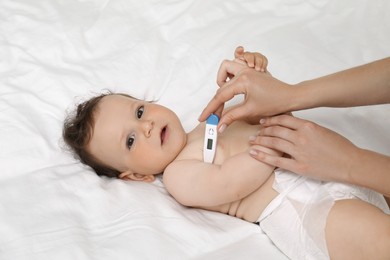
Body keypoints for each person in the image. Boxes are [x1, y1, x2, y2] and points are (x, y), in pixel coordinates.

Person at [63, 51, 390, 260]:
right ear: (136, 176)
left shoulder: (214, 121)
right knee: (378, 241)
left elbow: (268, 110)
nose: (146, 125)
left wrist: (255, 75)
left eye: (138, 111)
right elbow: (230, 182)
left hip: (338, 174)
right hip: (303, 208)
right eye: (131, 140)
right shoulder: (179, 175)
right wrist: (270, 145)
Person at [199, 47, 390, 203]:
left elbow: (269, 116)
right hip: (306, 197)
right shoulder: (176, 171)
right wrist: (290, 95)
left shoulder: (225, 115)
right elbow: (227, 185)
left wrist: (351, 162)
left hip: (348, 176)